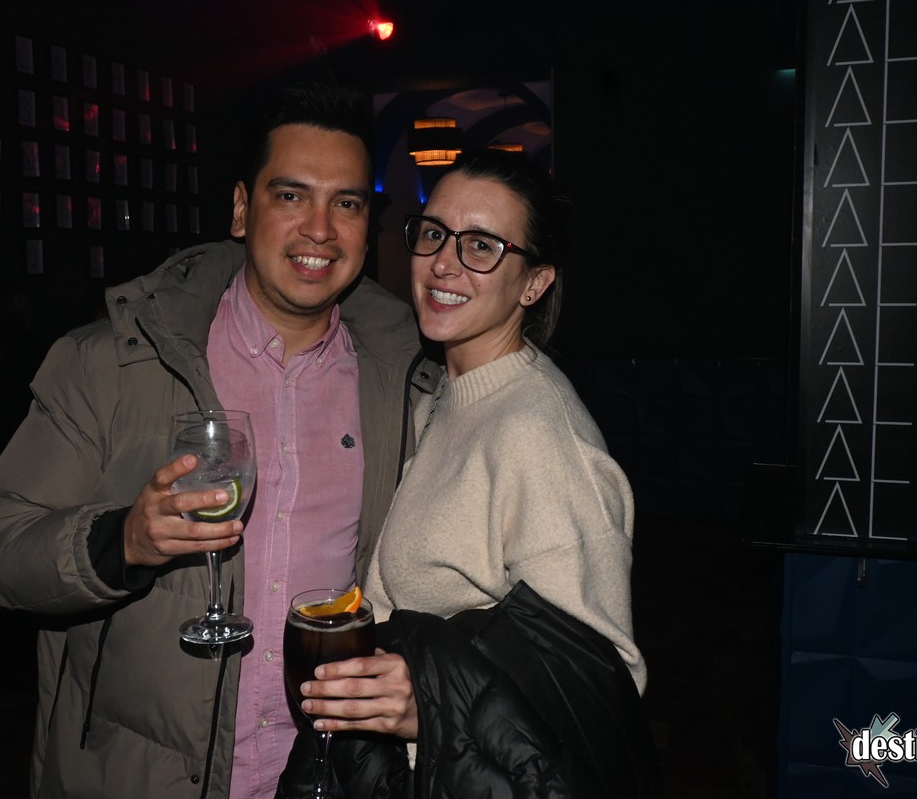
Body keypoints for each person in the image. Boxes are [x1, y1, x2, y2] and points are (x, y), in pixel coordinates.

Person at [0, 81, 442, 799]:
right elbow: (2, 551)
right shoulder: (111, 362)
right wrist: (124, 540)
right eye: (291, 195)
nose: (320, 229)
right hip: (142, 777)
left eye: (346, 204)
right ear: (241, 209)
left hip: (323, 775)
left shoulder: (408, 383)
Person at [280, 149, 657, 797]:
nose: (443, 263)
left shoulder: (539, 435)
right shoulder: (442, 395)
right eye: (434, 233)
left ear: (534, 283)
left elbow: (602, 680)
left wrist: (430, 704)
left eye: (482, 245)